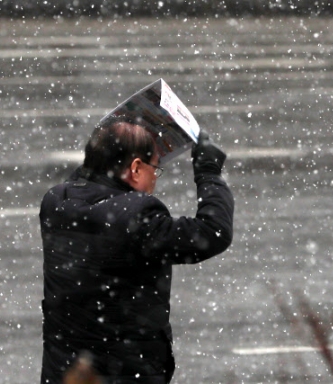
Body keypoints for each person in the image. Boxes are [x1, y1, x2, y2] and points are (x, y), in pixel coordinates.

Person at [39, 114, 234, 384]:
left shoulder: (57, 201)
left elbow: (84, 179)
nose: (155, 177)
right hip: (126, 372)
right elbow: (213, 233)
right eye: (156, 167)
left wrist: (103, 147)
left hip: (66, 371)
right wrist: (209, 173)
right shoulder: (137, 215)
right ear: (136, 168)